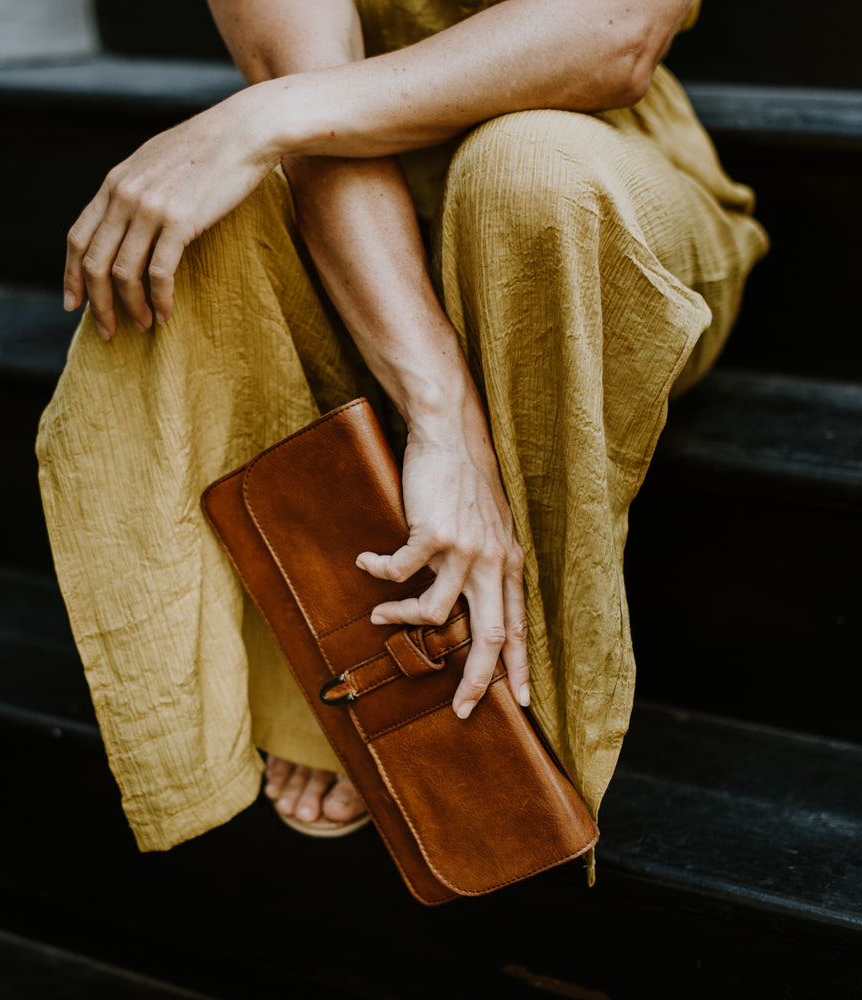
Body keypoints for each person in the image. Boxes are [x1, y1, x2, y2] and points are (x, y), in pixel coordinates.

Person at [37, 0, 767, 867]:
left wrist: (261, 115)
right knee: (209, 228)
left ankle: (506, 713)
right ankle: (354, 654)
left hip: (599, 181)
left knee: (526, 171)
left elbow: (613, 35)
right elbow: (310, 103)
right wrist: (440, 418)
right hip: (359, 189)